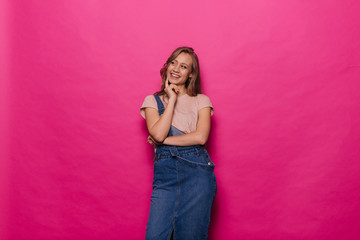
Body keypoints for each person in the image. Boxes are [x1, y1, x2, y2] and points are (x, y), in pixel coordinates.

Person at [140, 46, 216, 240]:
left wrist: (164, 141)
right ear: (167, 66)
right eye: (173, 62)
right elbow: (157, 132)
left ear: (191, 74)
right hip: (165, 180)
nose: (176, 69)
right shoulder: (153, 100)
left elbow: (200, 137)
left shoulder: (201, 100)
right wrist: (172, 99)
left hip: (197, 175)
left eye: (183, 66)